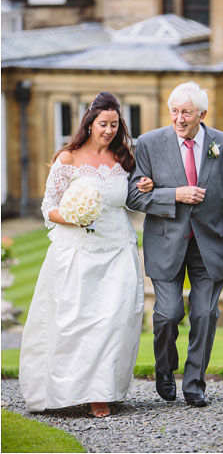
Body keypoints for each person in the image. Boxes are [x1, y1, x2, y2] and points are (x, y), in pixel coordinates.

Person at [19, 92, 154, 416]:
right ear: (90, 123)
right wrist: (75, 217)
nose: (108, 130)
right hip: (78, 251)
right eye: (103, 124)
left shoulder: (124, 158)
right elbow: (48, 207)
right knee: (79, 322)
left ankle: (102, 392)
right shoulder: (68, 158)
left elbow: (131, 195)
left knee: (117, 319)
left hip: (119, 247)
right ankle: (71, 390)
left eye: (114, 124)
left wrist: (144, 186)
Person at [126, 82, 223, 407]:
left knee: (205, 313)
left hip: (210, 244)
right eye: (174, 111)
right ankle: (165, 370)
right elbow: (135, 195)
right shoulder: (150, 143)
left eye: (186, 112)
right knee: (168, 315)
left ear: (202, 114)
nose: (179, 118)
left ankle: (195, 384)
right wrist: (174, 195)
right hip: (166, 244)